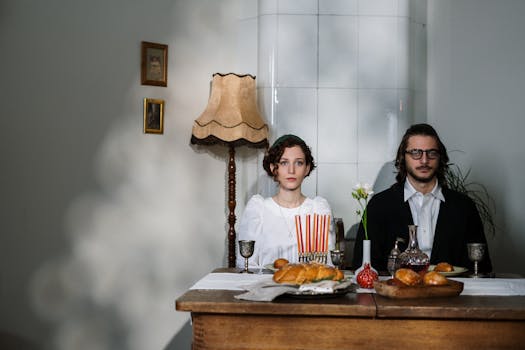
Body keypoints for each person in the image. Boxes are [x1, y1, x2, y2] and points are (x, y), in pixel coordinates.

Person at [351, 123, 492, 273]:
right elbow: (362, 265)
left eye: (431, 153)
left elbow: (482, 268)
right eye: (416, 153)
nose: (424, 160)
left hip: (451, 293)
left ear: (440, 157)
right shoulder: (379, 206)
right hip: (396, 293)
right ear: (403, 157)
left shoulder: (464, 206)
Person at [236, 134, 335, 269]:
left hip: (306, 287)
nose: (291, 170)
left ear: (307, 168)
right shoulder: (258, 210)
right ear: (273, 168)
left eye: (299, 162)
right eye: (284, 162)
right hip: (266, 287)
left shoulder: (318, 210)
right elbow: (246, 265)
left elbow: (326, 266)